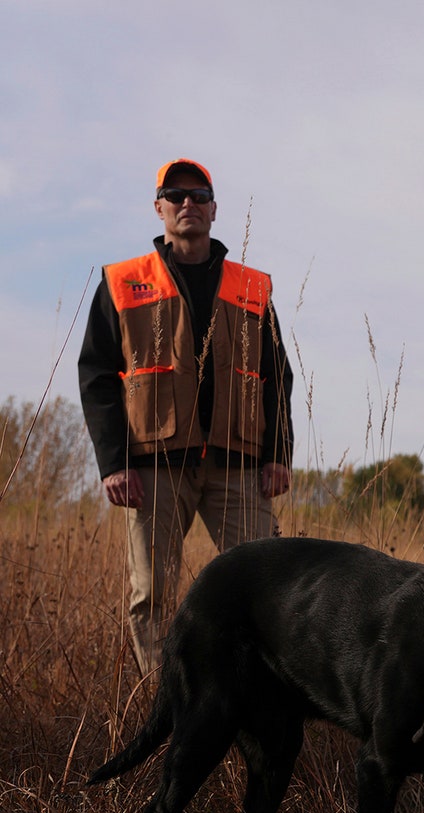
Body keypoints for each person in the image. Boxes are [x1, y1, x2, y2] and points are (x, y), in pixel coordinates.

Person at [79, 158, 293, 675]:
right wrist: (113, 462)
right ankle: (163, 705)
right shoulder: (123, 282)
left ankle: (259, 702)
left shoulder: (252, 286)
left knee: (271, 589)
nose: (188, 204)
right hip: (153, 469)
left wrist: (279, 455)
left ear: (215, 210)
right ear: (159, 209)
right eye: (175, 196)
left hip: (239, 467)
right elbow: (97, 377)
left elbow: (277, 378)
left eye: (199, 195)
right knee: (151, 595)